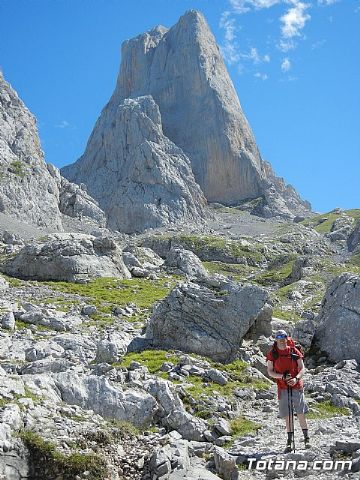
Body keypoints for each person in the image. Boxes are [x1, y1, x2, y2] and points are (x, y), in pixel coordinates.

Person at [266, 329, 310, 453]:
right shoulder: (273, 354)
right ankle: (289, 441)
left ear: (286, 338)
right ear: (276, 339)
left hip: (296, 385)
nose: (281, 340)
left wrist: (296, 378)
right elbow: (270, 371)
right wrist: (282, 377)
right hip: (282, 386)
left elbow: (302, 368)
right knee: (288, 414)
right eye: (278, 337)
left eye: (283, 337)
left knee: (300, 412)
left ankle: (306, 438)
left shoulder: (294, 351)